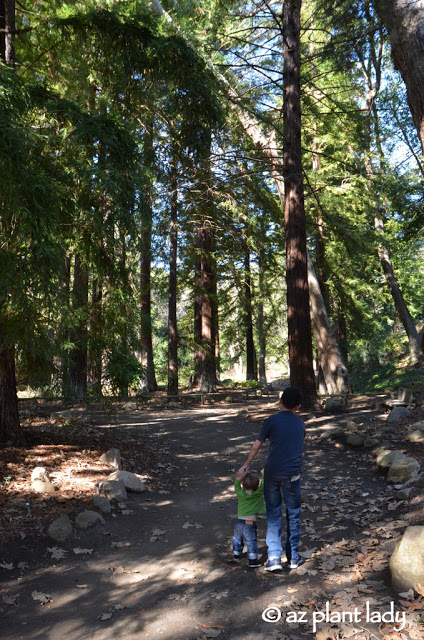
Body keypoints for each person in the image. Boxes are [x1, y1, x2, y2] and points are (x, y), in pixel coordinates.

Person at [237, 386, 305, 572]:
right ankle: (293, 557)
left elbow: (257, 446)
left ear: (280, 401)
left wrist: (247, 464)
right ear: (298, 406)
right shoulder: (300, 424)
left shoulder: (271, 421)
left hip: (272, 474)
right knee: (293, 514)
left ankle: (274, 557)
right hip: (293, 475)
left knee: (274, 513)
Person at [232, 470, 265, 568]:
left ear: (243, 485)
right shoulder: (257, 493)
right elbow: (263, 485)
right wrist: (263, 475)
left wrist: (238, 478)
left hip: (238, 522)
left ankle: (236, 554)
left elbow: (236, 487)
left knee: (237, 538)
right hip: (249, 523)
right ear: (257, 486)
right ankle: (252, 560)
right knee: (251, 542)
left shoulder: (240, 494)